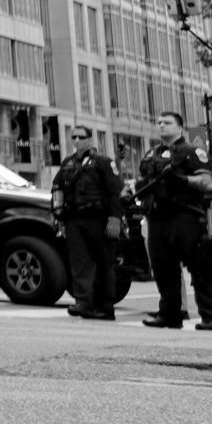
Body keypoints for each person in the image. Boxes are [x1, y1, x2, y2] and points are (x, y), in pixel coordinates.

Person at [133, 110, 212, 331]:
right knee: (163, 269)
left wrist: (182, 180)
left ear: (179, 127)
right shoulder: (150, 155)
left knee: (199, 268)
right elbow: (142, 183)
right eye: (159, 122)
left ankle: (210, 317)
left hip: (185, 216)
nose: (161, 125)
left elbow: (207, 183)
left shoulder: (192, 152)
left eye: (167, 122)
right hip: (157, 217)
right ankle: (170, 314)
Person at [52, 126, 124, 320]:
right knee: (79, 263)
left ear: (91, 140)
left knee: (104, 263)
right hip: (75, 220)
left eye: (80, 137)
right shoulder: (68, 163)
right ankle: (83, 303)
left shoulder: (103, 162)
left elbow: (115, 192)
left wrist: (115, 218)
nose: (76, 140)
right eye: (73, 136)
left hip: (99, 220)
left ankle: (105, 306)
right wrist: (58, 216)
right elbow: (57, 189)